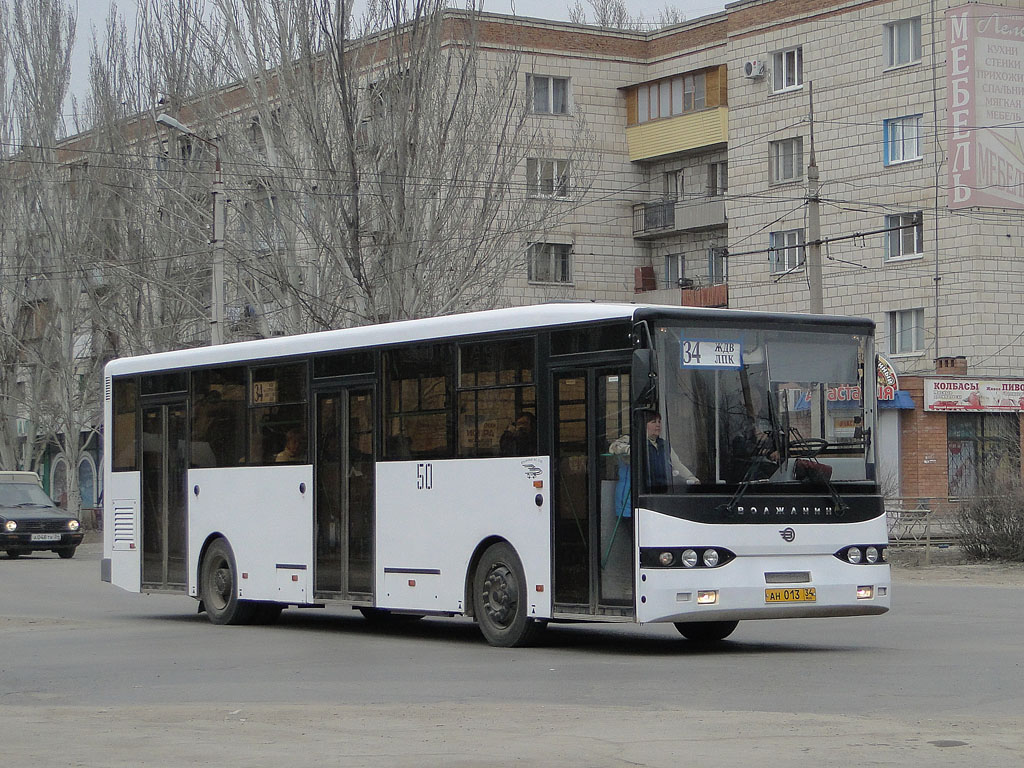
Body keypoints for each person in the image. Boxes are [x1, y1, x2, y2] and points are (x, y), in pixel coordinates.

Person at [609, 413, 699, 509]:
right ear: (644, 425)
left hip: (657, 495)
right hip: (631, 498)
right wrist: (629, 449)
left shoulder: (663, 444)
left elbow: (678, 465)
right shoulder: (631, 439)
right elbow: (613, 447)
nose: (658, 425)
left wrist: (693, 479)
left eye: (659, 422)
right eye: (653, 422)